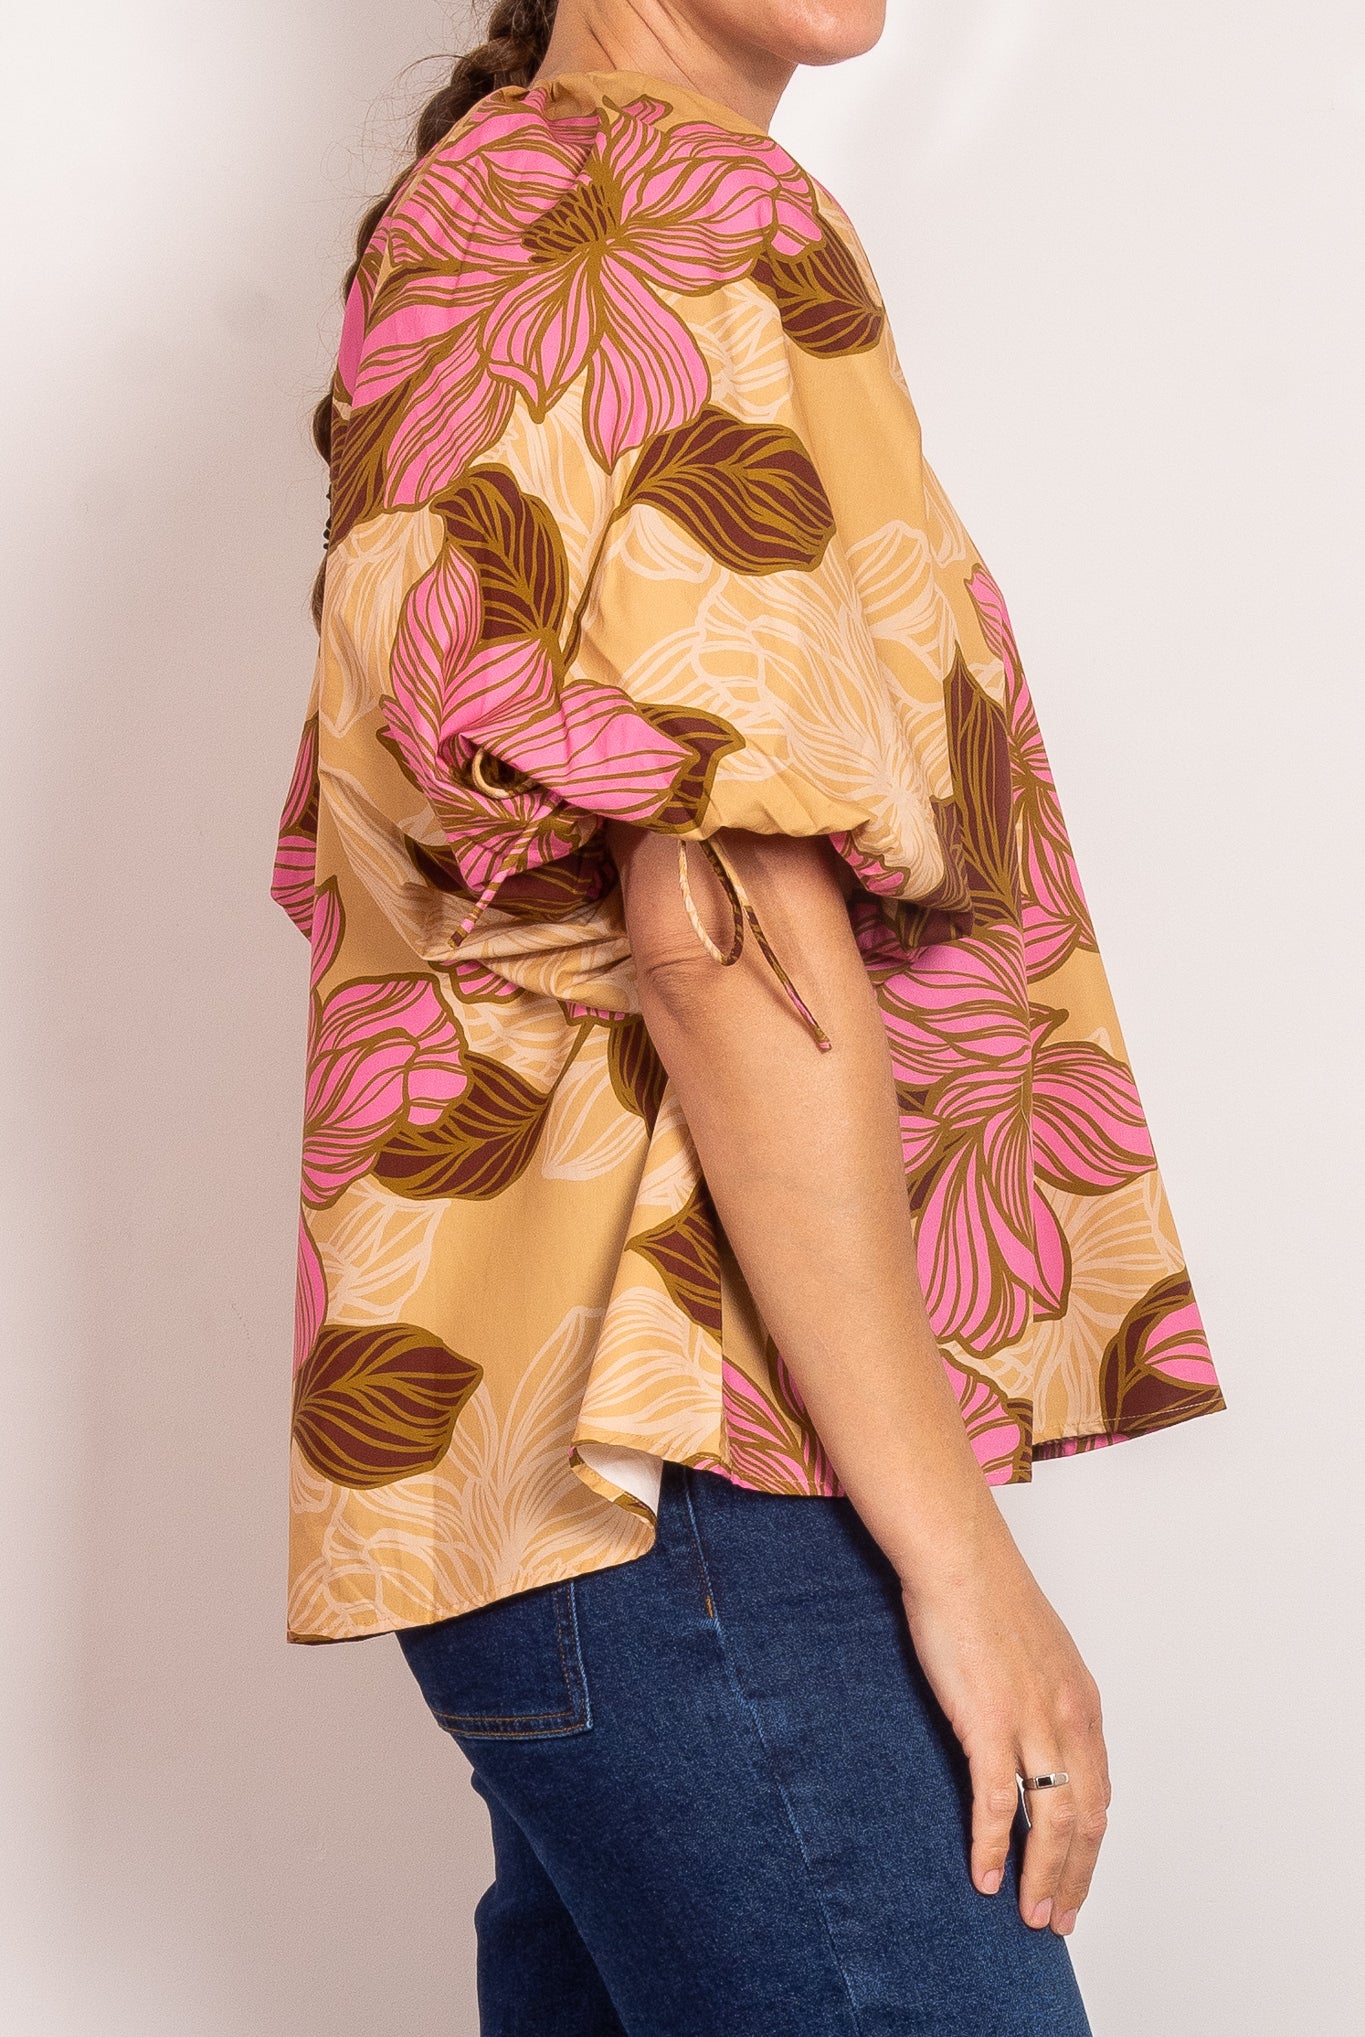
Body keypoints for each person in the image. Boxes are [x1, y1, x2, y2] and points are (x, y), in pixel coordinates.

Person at [270, 2, 1226, 2029]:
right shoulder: (668, 202)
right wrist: (957, 1557)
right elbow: (719, 923)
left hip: (556, 1485)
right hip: (685, 1456)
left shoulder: (485, 204)